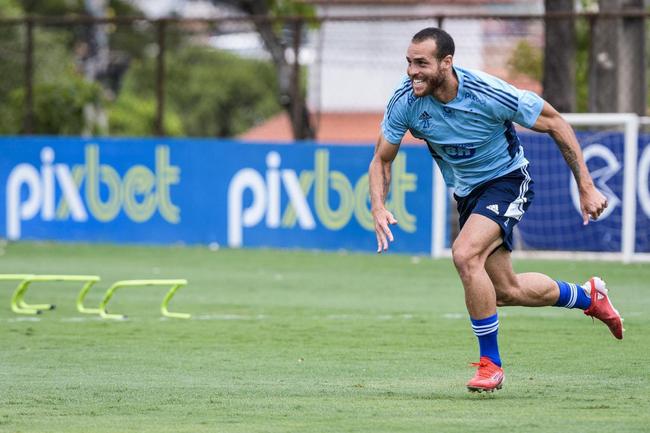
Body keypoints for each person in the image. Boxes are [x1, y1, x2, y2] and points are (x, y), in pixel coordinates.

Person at [368, 27, 624, 393]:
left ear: (446, 62)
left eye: (421, 63)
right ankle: (589, 297)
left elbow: (554, 121)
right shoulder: (405, 101)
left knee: (464, 254)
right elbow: (382, 159)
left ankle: (491, 365)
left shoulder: (487, 92)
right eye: (409, 62)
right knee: (506, 290)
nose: (412, 71)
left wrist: (585, 184)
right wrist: (378, 205)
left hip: (507, 179)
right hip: (468, 193)